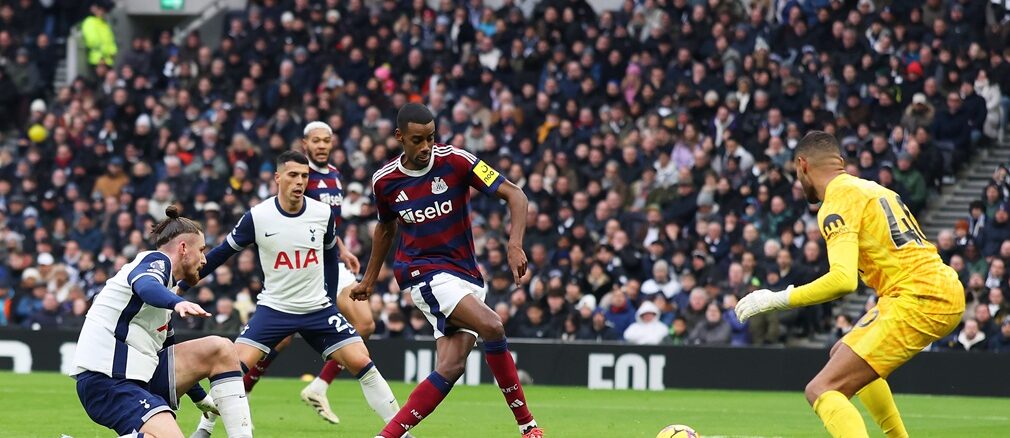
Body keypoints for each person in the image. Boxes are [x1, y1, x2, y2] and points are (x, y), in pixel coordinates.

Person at [736, 131, 964, 438]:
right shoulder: (872, 188)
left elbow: (843, 281)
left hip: (918, 296)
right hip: (934, 286)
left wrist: (776, 299)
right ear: (839, 162)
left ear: (802, 165)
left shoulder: (837, 202)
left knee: (821, 388)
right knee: (843, 350)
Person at [352, 103, 543, 438]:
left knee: (451, 367)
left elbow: (515, 195)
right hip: (424, 274)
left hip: (466, 275)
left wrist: (514, 244)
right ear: (400, 137)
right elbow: (385, 228)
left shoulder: (456, 160)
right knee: (492, 326)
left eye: (431, 137)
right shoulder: (385, 181)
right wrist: (369, 280)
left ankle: (386, 436)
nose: (426, 146)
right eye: (417, 140)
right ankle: (528, 427)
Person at [183, 152, 403, 437]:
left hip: (317, 309)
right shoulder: (258, 217)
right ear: (278, 178)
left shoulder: (322, 213)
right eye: (293, 175)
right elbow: (221, 254)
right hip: (274, 309)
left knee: (363, 362)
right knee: (231, 367)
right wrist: (182, 286)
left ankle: (400, 432)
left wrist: (328, 298)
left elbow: (331, 257)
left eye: (304, 176)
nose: (300, 181)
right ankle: (205, 427)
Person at [72, 206, 253, 438]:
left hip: (140, 375)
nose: (203, 259)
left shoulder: (166, 289)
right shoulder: (155, 261)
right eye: (201, 250)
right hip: (108, 380)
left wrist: (200, 398)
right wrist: (177, 303)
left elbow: (168, 350)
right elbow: (145, 285)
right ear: (183, 248)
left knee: (221, 348)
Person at [236, 122, 373, 425]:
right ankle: (242, 390)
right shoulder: (299, 177)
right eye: (316, 141)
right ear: (305, 143)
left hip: (330, 258)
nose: (322, 146)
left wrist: (343, 250)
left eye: (326, 140)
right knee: (280, 340)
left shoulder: (335, 175)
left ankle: (319, 386)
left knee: (365, 323)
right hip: (300, 263)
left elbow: (327, 224)